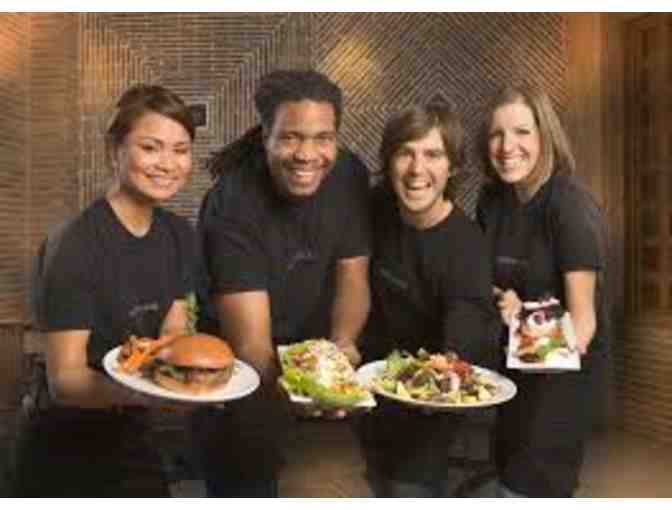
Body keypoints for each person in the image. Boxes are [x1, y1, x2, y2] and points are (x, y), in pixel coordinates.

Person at [193, 69, 372, 497]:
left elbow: (353, 273)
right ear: (265, 137)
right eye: (290, 137)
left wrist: (343, 344)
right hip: (239, 373)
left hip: (309, 357)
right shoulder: (232, 204)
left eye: (322, 138)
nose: (307, 154)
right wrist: (312, 390)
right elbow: (251, 345)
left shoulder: (349, 175)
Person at [12, 84, 198, 496]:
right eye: (150, 148)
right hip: (62, 445)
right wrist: (154, 397)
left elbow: (173, 333)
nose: (168, 164)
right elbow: (66, 381)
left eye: (181, 150)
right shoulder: (75, 244)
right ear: (114, 151)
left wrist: (193, 380)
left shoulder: (180, 236)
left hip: (135, 432)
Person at [357, 103, 502, 497]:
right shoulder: (373, 209)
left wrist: (436, 375)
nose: (417, 169)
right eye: (405, 153)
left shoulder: (467, 246)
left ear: (452, 167)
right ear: (388, 161)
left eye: (433, 154)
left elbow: (460, 341)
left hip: (429, 406)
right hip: (363, 393)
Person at [476, 84, 609, 497]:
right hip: (510, 373)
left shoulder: (570, 206)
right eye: (497, 134)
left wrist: (525, 319)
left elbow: (583, 327)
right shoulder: (492, 200)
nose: (507, 147)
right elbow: (491, 281)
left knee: (529, 488)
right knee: (504, 479)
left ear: (544, 135)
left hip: (559, 385)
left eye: (521, 132)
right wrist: (502, 300)